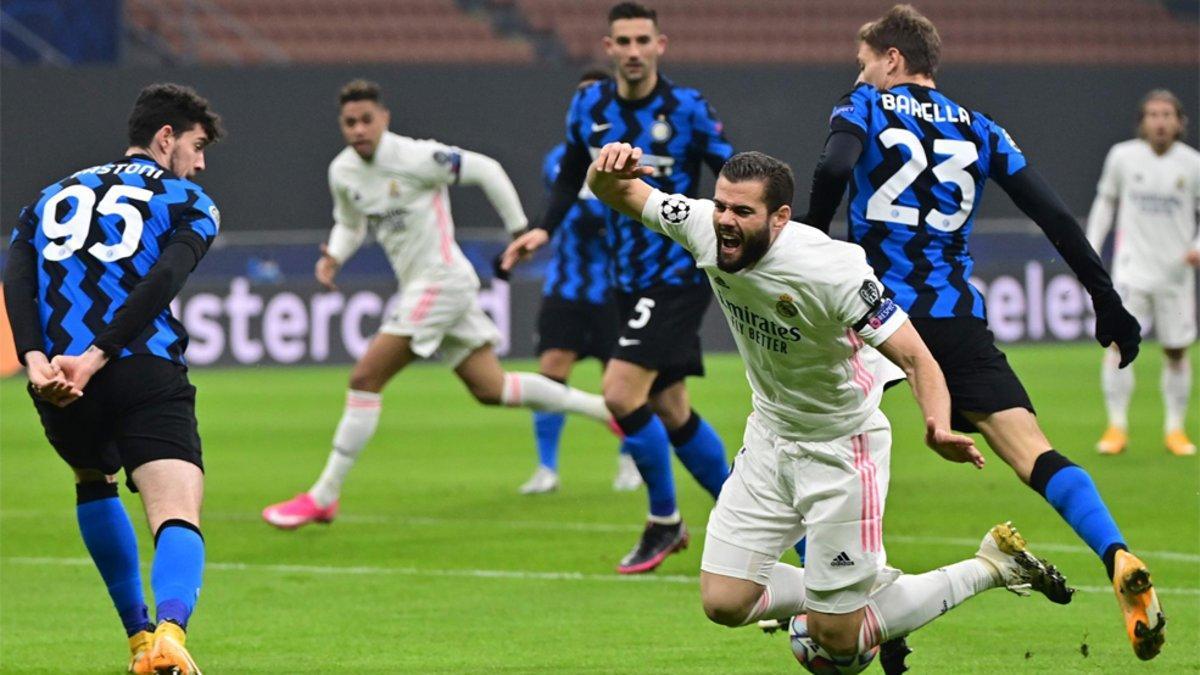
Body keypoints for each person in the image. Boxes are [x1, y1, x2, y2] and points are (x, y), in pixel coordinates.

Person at [587, 141, 1074, 672]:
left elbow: (916, 356)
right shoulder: (702, 223)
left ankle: (992, 565)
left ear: (780, 218)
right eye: (722, 205)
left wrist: (937, 424)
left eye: (742, 212)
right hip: (770, 438)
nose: (725, 221)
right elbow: (619, 192)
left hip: (843, 448)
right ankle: (867, 592)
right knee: (724, 603)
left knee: (839, 642)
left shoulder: (831, 271)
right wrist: (605, 168)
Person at [802, 4, 1164, 660]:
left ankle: (862, 604)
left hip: (873, 312)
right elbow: (1054, 215)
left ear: (891, 59)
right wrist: (1105, 301)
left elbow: (832, 170)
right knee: (1034, 451)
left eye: (865, 64)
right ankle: (1115, 551)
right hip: (954, 317)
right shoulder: (981, 128)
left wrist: (806, 247)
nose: (860, 75)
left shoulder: (864, 106)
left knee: (807, 450)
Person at [262, 80, 617, 528]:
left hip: (441, 281)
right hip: (426, 287)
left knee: (365, 376)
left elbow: (487, 169)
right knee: (492, 389)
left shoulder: (416, 157)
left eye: (366, 120)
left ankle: (323, 495)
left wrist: (517, 230)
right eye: (349, 122)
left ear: (383, 119)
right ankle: (606, 411)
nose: (358, 130)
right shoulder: (343, 172)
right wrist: (334, 254)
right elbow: (349, 224)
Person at [502, 1, 735, 574]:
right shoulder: (590, 105)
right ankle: (742, 514)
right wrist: (542, 230)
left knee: (621, 392)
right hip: (625, 280)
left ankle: (664, 521)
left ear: (661, 45)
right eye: (622, 42)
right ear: (607, 49)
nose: (632, 51)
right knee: (672, 408)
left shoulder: (687, 109)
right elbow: (567, 175)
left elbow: (732, 171)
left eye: (642, 40)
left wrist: (741, 239)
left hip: (677, 272)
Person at [4, 82, 223, 675]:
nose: (201, 163)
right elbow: (163, 282)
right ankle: (170, 637)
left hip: (59, 382)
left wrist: (33, 359)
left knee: (91, 479)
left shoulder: (46, 199)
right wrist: (101, 353)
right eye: (198, 146)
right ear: (166, 137)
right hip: (141, 366)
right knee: (176, 511)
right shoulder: (188, 202)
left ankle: (136, 640)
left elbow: (16, 277)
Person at [518, 69, 642, 495]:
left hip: (615, 290)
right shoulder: (559, 158)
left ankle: (630, 462)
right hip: (566, 288)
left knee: (621, 383)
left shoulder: (634, 157)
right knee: (550, 374)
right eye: (579, 97)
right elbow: (580, 212)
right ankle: (546, 468)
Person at [1087, 89, 1199, 457]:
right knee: (1119, 347)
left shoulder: (1192, 164)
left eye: (1167, 114)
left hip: (1175, 275)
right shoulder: (1122, 157)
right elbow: (1106, 202)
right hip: (1131, 271)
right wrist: (1089, 244)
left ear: (1180, 121)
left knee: (1176, 351)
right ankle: (1116, 427)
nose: (1160, 121)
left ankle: (1175, 430)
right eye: (1153, 114)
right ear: (1142, 122)